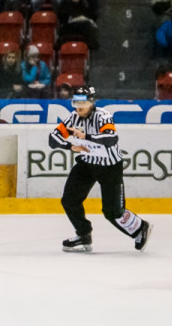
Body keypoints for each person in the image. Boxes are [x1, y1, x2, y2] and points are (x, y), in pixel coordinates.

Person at [48, 86, 152, 253]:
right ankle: (83, 234)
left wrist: (86, 137)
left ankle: (140, 228)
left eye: (83, 103)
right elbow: (52, 139)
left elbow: (111, 138)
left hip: (109, 167)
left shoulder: (103, 116)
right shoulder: (73, 118)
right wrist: (70, 146)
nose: (79, 107)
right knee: (69, 200)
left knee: (113, 212)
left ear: (92, 102)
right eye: (76, 102)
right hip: (87, 164)